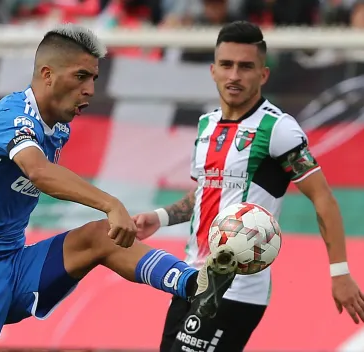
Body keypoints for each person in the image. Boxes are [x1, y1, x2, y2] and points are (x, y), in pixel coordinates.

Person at [0, 23, 234, 352]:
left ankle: (193, 284)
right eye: (81, 76)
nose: (89, 90)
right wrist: (111, 203)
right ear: (47, 74)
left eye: (94, 79)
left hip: (14, 268)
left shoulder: (56, 129)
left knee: (101, 237)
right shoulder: (11, 118)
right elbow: (39, 171)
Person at [133, 20, 364, 352]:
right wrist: (161, 217)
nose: (234, 75)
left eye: (245, 66)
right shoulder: (207, 125)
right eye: (227, 65)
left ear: (263, 74)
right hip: (190, 277)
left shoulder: (277, 129)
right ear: (213, 70)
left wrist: (340, 272)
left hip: (237, 286)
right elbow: (207, 193)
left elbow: (324, 199)